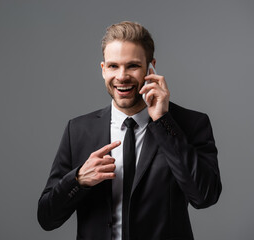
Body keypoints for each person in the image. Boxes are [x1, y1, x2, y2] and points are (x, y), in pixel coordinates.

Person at [37, 21, 221, 240]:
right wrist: (77, 180)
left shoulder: (190, 124)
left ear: (150, 68)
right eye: (113, 66)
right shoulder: (77, 130)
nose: (122, 76)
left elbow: (204, 197)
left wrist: (163, 121)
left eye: (132, 66)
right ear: (103, 70)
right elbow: (47, 218)